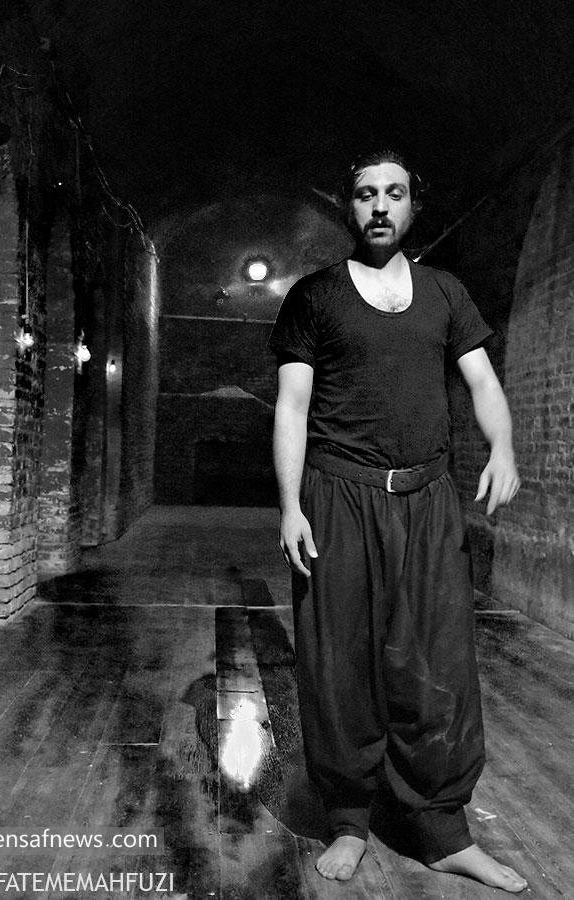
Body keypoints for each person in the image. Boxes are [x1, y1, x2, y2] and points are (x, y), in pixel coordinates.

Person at [267, 150, 527, 893]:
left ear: (414, 206)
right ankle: (350, 818)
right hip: (340, 498)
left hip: (426, 499)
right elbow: (292, 406)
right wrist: (290, 504)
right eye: (365, 194)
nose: (380, 205)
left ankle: (443, 832)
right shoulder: (315, 296)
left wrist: (504, 445)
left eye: (394, 193)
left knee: (438, 664)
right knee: (340, 664)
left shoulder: (445, 293)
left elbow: (482, 380)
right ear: (348, 207)